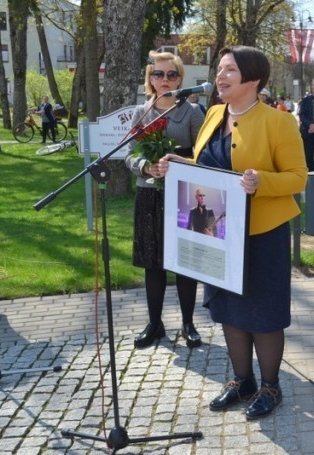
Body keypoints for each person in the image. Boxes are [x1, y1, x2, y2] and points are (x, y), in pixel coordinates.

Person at [156, 45, 307, 420]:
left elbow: (297, 177)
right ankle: (242, 381)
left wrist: (261, 181)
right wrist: (180, 163)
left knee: (263, 311)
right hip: (219, 234)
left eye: (229, 71)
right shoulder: (212, 114)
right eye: (220, 70)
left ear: (253, 79)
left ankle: (270, 386)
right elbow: (208, 165)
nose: (220, 77)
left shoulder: (278, 122)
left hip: (263, 234)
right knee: (229, 309)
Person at [124, 50, 205, 349]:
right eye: (159, 74)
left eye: (172, 74)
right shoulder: (140, 112)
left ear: (180, 79)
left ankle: (188, 323)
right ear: (150, 78)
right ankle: (155, 323)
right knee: (153, 263)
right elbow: (130, 154)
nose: (165, 79)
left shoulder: (193, 112)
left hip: (183, 194)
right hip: (149, 193)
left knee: (185, 261)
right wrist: (146, 166)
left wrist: (181, 162)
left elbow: (204, 155)